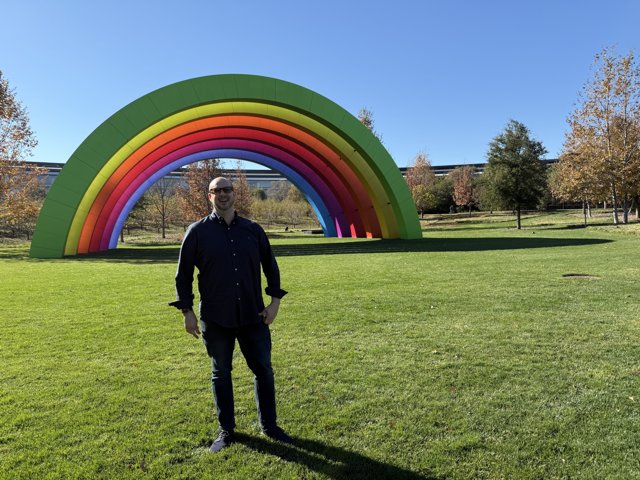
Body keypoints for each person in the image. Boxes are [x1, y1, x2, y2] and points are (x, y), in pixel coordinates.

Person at [170, 176, 293, 453]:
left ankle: (270, 426)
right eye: (217, 191)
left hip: (254, 316)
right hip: (216, 318)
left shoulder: (253, 230)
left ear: (234, 194)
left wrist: (274, 303)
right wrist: (187, 312)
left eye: (227, 190)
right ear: (209, 196)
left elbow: (271, 267)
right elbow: (183, 276)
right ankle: (226, 431)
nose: (223, 195)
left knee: (263, 370)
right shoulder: (197, 232)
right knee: (221, 373)